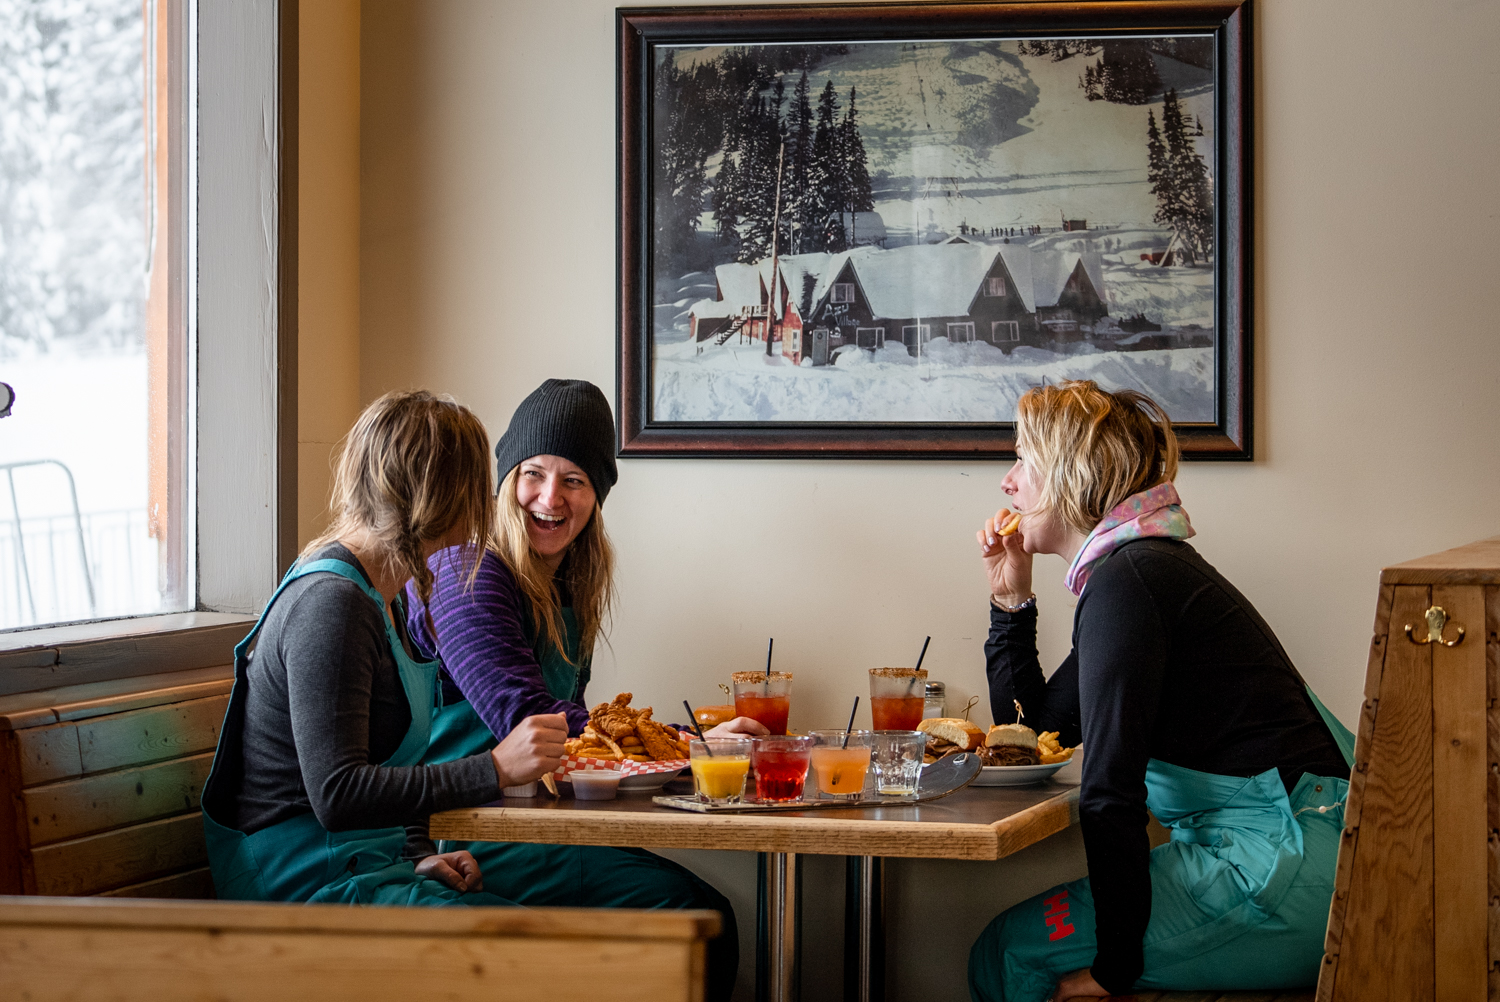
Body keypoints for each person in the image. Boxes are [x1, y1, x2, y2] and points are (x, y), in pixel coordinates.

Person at [966, 381, 1355, 1002]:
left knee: (1009, 954)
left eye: (1022, 460)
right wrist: (1011, 600)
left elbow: (1109, 796)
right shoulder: (1137, 570)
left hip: (1278, 863)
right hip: (1291, 849)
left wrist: (1113, 971)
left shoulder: (1131, 581)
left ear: (1068, 474)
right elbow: (1039, 731)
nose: (1008, 482)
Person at [405, 378, 758, 1001]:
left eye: (575, 480)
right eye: (534, 473)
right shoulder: (468, 571)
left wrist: (692, 747)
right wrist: (692, 746)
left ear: (597, 496)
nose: (550, 497)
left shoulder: (569, 576)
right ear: (504, 478)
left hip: (535, 819)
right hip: (465, 827)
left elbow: (577, 730)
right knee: (694, 924)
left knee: (700, 918)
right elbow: (534, 721)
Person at [200, 390, 566, 906]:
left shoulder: (383, 600)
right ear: (439, 497)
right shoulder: (332, 604)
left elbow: (386, 768)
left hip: (366, 867)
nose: (484, 504)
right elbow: (337, 794)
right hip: (305, 887)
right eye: (474, 488)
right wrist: (495, 768)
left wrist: (417, 852)